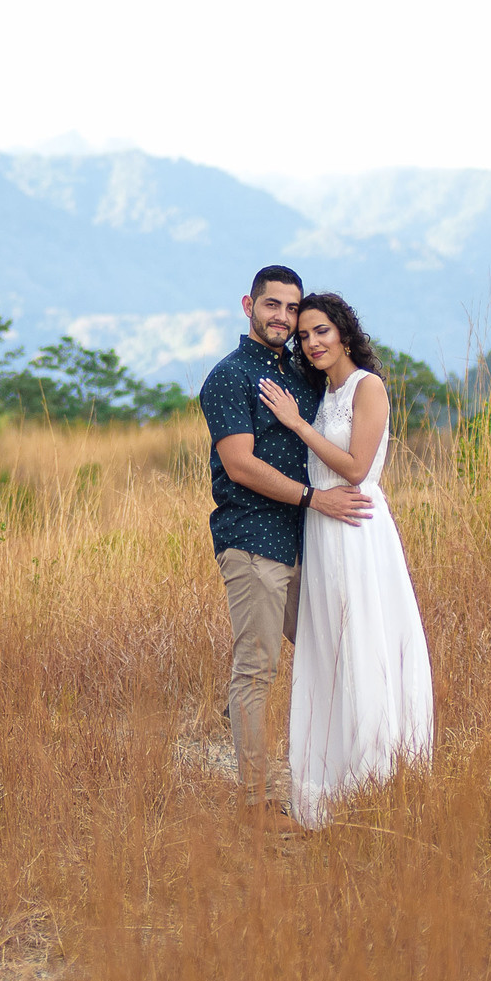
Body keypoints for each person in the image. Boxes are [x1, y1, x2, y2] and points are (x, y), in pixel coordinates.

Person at [257, 292, 434, 827]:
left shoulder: (367, 387)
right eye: (305, 334)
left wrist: (298, 425)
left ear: (346, 334)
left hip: (357, 528)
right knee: (329, 646)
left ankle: (376, 774)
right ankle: (328, 785)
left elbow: (357, 467)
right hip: (323, 530)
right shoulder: (323, 392)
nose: (312, 342)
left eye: (322, 331)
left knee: (363, 640)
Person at [196, 265, 373, 801]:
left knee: (331, 648)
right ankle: (256, 795)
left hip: (308, 543)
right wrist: (315, 498)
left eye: (292, 309)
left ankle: (344, 768)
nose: (284, 318)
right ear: (248, 306)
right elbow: (241, 465)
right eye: (273, 305)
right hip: (253, 541)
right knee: (257, 667)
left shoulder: (298, 373)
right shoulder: (229, 377)